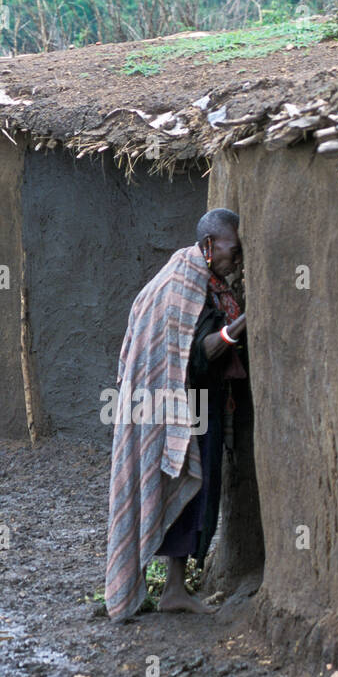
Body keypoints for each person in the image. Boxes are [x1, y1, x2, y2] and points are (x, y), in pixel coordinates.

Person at [105, 208, 248, 621]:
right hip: (181, 407)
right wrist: (242, 324)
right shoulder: (185, 284)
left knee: (193, 489)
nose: (236, 261)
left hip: (191, 402)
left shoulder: (197, 279)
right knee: (191, 488)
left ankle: (173, 588)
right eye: (232, 251)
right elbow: (200, 353)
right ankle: (169, 588)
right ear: (208, 246)